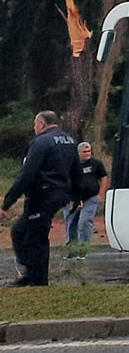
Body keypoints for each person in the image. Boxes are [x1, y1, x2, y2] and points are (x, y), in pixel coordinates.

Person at [0, 111, 77, 286]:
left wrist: (8, 202)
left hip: (43, 195)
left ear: (41, 124)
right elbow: (76, 170)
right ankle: (31, 272)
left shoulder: (41, 142)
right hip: (58, 194)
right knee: (20, 231)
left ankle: (39, 280)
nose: (34, 128)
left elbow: (27, 174)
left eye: (35, 124)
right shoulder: (70, 141)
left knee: (36, 238)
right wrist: (77, 195)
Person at [62, 142, 107, 252]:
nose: (87, 154)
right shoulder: (72, 165)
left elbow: (103, 177)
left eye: (89, 151)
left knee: (84, 222)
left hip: (90, 198)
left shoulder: (96, 164)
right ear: (78, 153)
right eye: (84, 152)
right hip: (73, 199)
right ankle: (72, 250)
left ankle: (83, 249)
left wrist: (100, 194)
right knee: (71, 224)